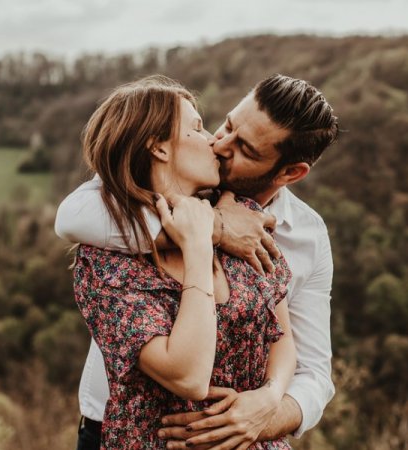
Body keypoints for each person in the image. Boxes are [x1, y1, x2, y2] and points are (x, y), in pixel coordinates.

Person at [56, 74, 339, 449]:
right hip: (122, 431)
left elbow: (313, 369)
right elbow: (71, 216)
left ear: (290, 173)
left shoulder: (306, 236)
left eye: (246, 150)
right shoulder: (138, 212)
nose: (219, 144)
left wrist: (268, 404)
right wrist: (213, 229)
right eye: (227, 125)